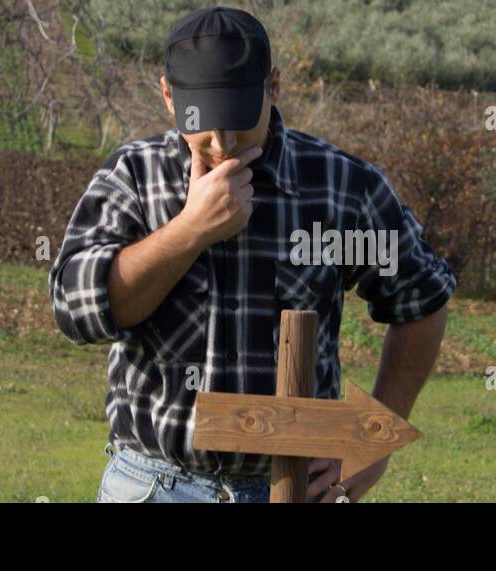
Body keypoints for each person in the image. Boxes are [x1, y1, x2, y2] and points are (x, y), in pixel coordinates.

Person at [49, 6, 453, 503]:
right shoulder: (136, 178)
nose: (222, 143)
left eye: (240, 123)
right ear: (169, 95)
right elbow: (76, 312)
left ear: (274, 87)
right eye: (205, 124)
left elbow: (424, 301)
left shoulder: (340, 188)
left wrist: (373, 437)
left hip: (291, 488)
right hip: (153, 485)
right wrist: (188, 231)